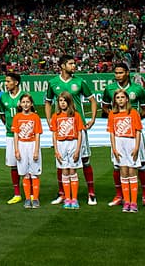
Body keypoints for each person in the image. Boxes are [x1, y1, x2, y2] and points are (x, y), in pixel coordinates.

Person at [45, 56, 97, 205]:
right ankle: (62, 193)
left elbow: (92, 100)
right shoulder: (53, 83)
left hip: (77, 126)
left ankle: (91, 193)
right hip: (61, 127)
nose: (74, 66)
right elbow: (47, 102)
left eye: (74, 63)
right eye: (71, 63)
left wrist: (92, 118)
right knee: (61, 160)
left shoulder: (79, 82)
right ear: (62, 65)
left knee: (85, 159)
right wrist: (49, 120)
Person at [109, 89, 144, 214]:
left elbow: (138, 131)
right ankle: (127, 201)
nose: (120, 100)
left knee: (132, 172)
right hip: (119, 144)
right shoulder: (112, 114)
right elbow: (112, 133)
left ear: (127, 99)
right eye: (117, 98)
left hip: (131, 142)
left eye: (122, 97)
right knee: (123, 172)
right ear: (115, 100)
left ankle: (134, 202)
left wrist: (136, 147)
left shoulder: (133, 113)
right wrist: (114, 148)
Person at [50, 92, 84, 210]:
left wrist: (78, 150)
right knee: (64, 171)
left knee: (72, 171)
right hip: (61, 144)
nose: (62, 103)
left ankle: (74, 198)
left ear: (69, 102)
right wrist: (56, 150)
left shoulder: (76, 115)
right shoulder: (55, 116)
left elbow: (80, 133)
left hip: (73, 143)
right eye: (60, 101)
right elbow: (54, 134)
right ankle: (67, 198)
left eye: (64, 101)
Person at [11, 92, 42, 209]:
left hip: (32, 144)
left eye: (28, 102)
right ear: (20, 104)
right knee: (24, 173)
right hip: (21, 144)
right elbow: (15, 135)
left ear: (31, 103)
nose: (25, 104)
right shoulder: (17, 117)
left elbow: (38, 134)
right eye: (23, 102)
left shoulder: (35, 117)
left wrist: (36, 150)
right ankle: (28, 198)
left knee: (34, 173)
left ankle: (36, 198)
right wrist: (16, 150)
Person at [0, 73, 25, 204]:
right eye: (5, 81)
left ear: (16, 82)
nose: (6, 84)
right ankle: (17, 194)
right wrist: (10, 126)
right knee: (13, 165)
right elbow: (3, 115)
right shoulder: (3, 97)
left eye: (8, 81)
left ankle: (30, 192)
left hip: (25, 137)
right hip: (10, 135)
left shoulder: (24, 97)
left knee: (27, 165)